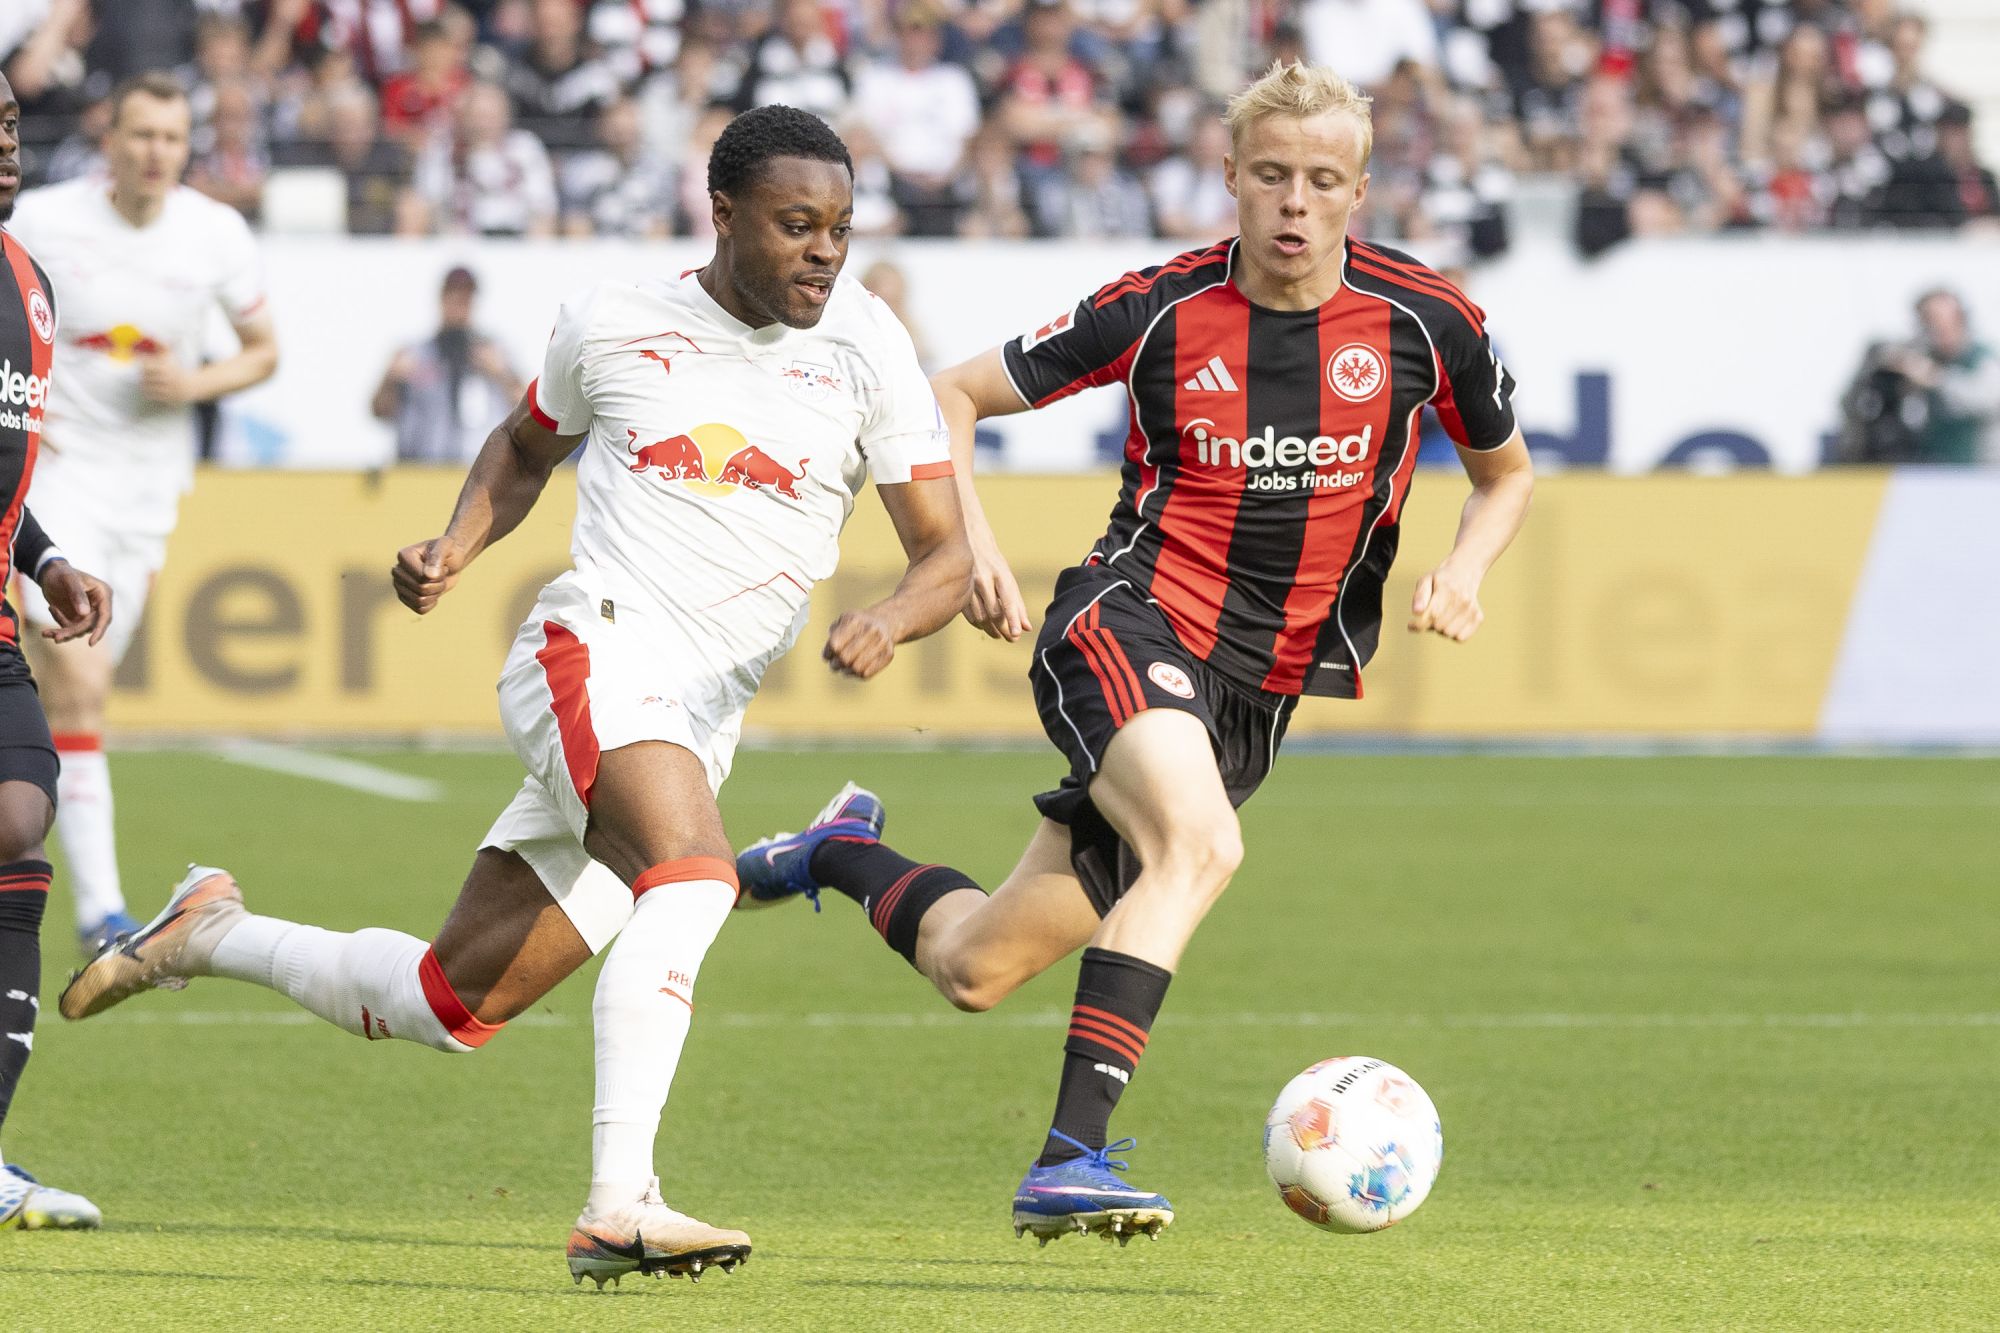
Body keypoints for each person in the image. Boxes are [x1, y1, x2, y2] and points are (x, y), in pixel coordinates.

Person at [62, 105, 971, 1286]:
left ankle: (208, 932)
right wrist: (454, 544)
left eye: (840, 228)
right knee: (693, 874)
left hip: (696, 717)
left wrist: (889, 616)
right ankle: (618, 1205)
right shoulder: (616, 321)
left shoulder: (868, 344)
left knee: (447, 1002)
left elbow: (943, 552)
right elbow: (524, 446)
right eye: (797, 225)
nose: (824, 252)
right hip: (593, 649)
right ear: (723, 214)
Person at [735, 62, 1533, 1245]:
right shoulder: (1160, 306)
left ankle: (836, 850)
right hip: (1128, 621)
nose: (1294, 203)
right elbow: (951, 394)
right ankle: (1069, 1157)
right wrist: (969, 546)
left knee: (975, 966)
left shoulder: (1427, 320)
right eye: (1271, 176)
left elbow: (1504, 475)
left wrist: (1463, 570)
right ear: (1230, 177)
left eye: (1321, 181)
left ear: (1359, 191)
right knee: (1200, 846)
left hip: (1253, 696)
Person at [8, 72, 277, 956]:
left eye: (171, 137)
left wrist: (194, 382)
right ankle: (104, 912)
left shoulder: (216, 233)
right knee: (78, 680)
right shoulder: (45, 220)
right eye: (142, 135)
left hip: (149, 489)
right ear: (110, 139)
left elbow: (262, 351)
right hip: (60, 478)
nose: (157, 152)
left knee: (82, 694)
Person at [0, 67, 121, 1233]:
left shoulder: (27, 283)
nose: (5, 143)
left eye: (7, 122)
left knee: (17, 816)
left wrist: (44, 559)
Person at [372, 266, 523, 463]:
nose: (458, 306)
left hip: (477, 471)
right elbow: (379, 411)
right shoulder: (415, 355)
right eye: (453, 297)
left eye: (465, 299)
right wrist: (391, 378)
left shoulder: (493, 355)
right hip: (421, 470)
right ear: (441, 299)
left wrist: (503, 374)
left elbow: (526, 409)